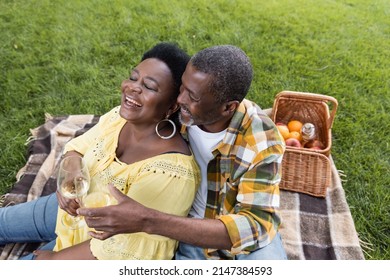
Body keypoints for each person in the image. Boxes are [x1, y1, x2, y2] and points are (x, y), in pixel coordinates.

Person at [77, 45, 287, 260]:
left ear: (227, 108)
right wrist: (73, 158)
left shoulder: (261, 142)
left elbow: (256, 225)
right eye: (182, 87)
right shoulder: (176, 109)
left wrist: (148, 220)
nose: (180, 100)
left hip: (225, 236)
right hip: (178, 225)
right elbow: (114, 125)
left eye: (193, 97)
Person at [0, 42, 200, 260]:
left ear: (172, 106)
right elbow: (77, 148)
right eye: (133, 78)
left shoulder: (171, 173)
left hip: (100, 247)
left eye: (149, 86)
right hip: (68, 211)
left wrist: (54, 260)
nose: (132, 87)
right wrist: (72, 175)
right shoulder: (118, 118)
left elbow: (125, 250)